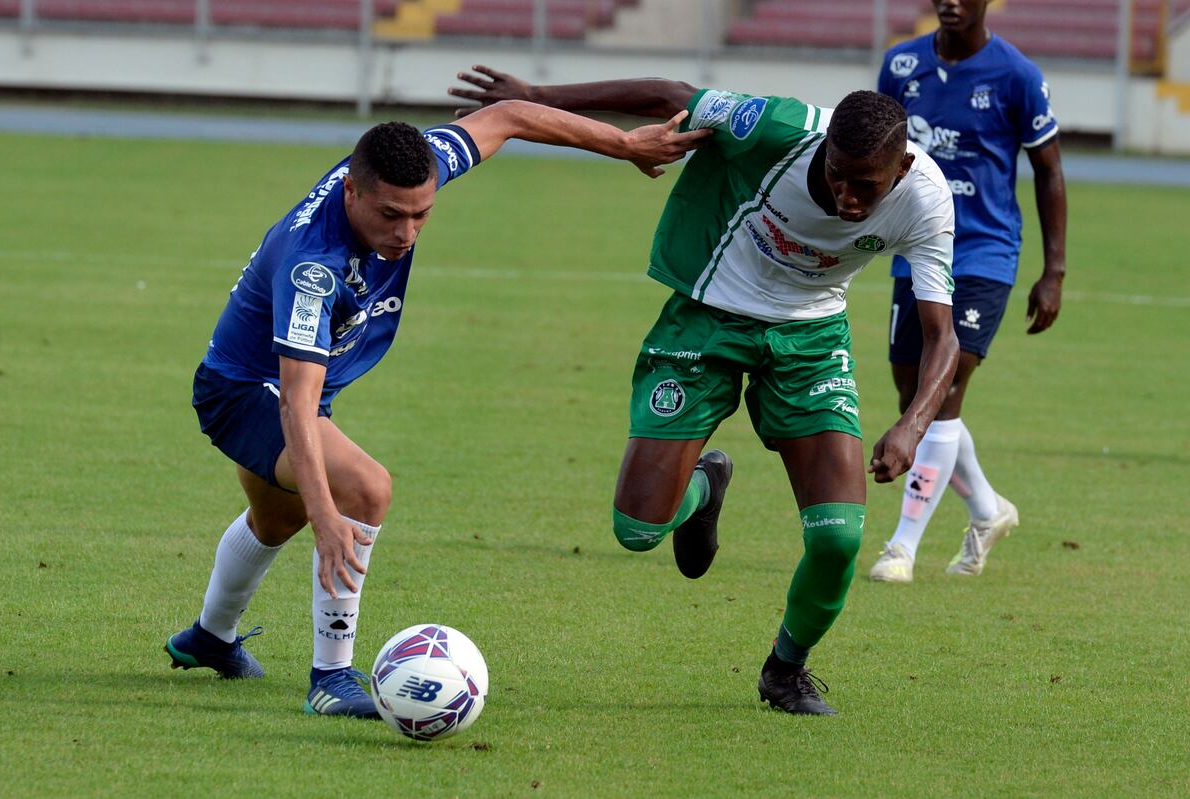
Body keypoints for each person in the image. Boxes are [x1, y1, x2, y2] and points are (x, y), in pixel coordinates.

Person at [164, 100, 710, 719]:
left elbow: (506, 118)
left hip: (301, 385)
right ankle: (330, 677)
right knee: (364, 491)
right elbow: (296, 400)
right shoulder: (312, 267)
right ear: (352, 191)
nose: (406, 233)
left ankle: (210, 638)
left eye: (421, 214)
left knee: (274, 518)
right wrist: (327, 514)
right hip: (248, 391)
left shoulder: (409, 164)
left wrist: (625, 145)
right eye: (391, 215)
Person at [449, 69, 959, 715]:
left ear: (903, 165)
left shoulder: (928, 198)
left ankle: (785, 670)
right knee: (636, 530)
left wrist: (912, 424)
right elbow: (670, 95)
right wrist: (542, 98)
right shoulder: (777, 127)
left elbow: (941, 336)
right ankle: (701, 493)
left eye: (867, 187)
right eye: (837, 175)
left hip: (809, 337)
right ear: (826, 145)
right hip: (708, 313)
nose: (848, 198)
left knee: (838, 538)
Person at [869, 0, 1067, 583]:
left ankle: (901, 548)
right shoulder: (900, 66)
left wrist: (1053, 270)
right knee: (915, 399)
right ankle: (987, 510)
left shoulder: (1018, 76)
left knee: (945, 385)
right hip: (919, 247)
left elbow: (1049, 169)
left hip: (985, 251)